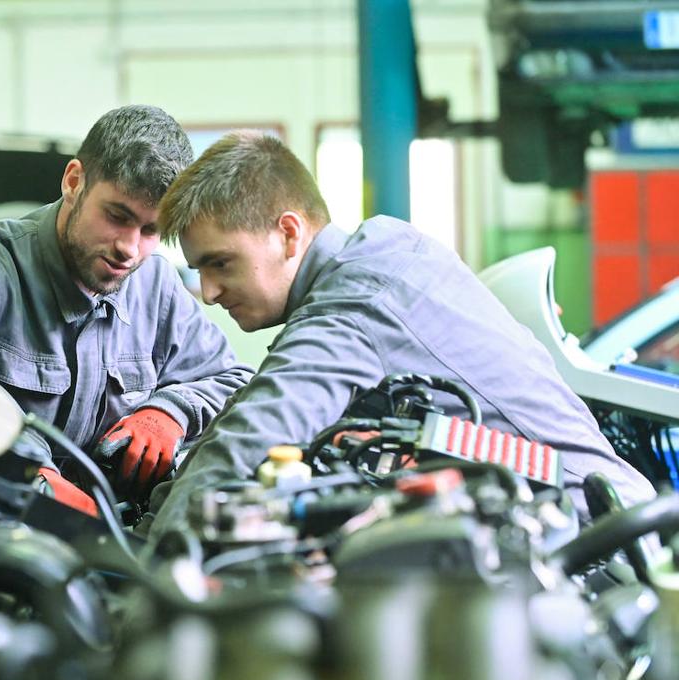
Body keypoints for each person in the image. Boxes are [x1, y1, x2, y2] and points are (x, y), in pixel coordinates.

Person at [147, 130, 655, 537]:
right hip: (584, 527)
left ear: (288, 232)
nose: (209, 292)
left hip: (590, 545)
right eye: (198, 271)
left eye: (221, 263)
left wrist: (159, 563)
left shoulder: (357, 300)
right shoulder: (388, 245)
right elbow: (266, 397)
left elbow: (256, 430)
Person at [0, 106, 254, 513]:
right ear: (74, 181)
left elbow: (233, 380)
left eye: (150, 230)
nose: (129, 248)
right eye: (117, 216)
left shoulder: (156, 285)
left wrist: (170, 413)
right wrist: (30, 473)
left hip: (114, 534)